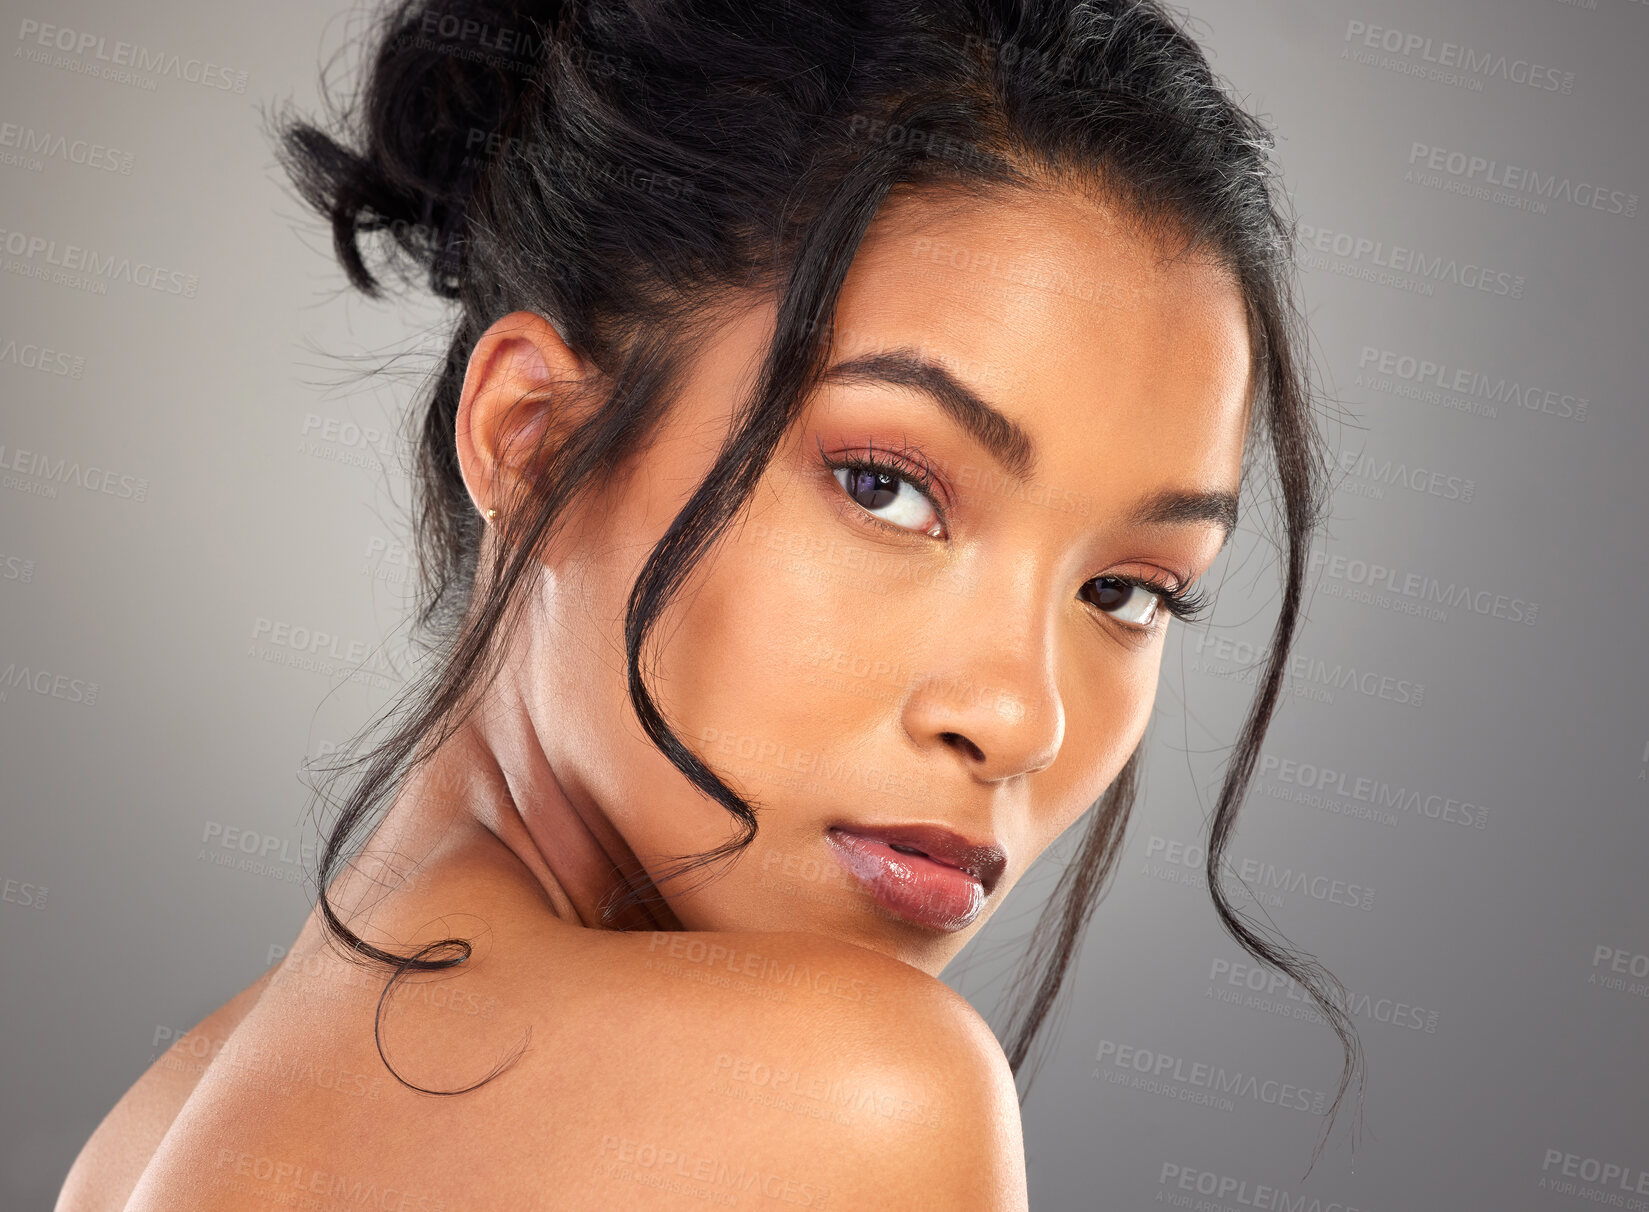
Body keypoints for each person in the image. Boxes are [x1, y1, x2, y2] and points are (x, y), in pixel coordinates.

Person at [57, 0, 1360, 1207]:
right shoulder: (850, 1100)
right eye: (886, 488)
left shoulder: (141, 1142)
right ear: (536, 439)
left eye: (1126, 590)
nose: (1020, 718)